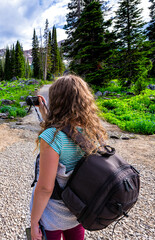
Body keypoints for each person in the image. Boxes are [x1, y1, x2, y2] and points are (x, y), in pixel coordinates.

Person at [30, 75, 107, 240]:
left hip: (53, 217)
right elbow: (69, 132)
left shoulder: (52, 137)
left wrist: (34, 221)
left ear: (57, 101)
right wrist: (46, 115)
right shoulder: (92, 131)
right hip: (79, 211)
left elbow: (45, 188)